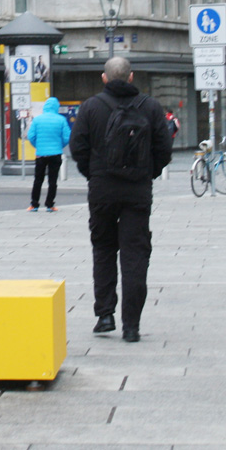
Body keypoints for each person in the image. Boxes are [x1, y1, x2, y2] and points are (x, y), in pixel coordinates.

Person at [69, 57, 172, 343]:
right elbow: (164, 149)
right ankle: (132, 326)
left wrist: (93, 173)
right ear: (131, 77)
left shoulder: (91, 107)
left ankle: (104, 315)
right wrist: (147, 173)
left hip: (102, 189)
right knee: (135, 254)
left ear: (104, 78)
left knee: (103, 248)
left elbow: (78, 147)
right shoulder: (150, 107)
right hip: (137, 191)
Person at [25, 97, 70, 212]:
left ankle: (34, 204)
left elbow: (31, 136)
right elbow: (67, 137)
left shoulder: (37, 120)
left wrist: (38, 145)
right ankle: (50, 205)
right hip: (55, 154)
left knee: (38, 179)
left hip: (41, 154)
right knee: (52, 180)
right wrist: (60, 145)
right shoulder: (61, 120)